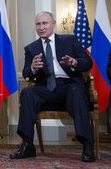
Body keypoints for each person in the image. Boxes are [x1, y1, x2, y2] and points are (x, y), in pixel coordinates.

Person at [10, 11, 95, 162]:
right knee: (27, 93)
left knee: (76, 91)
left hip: (68, 87)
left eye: (45, 23)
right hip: (46, 89)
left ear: (53, 24)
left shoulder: (69, 40)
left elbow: (88, 62)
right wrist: (33, 67)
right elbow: (26, 73)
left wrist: (75, 62)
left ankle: (87, 144)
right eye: (38, 24)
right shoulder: (31, 48)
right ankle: (27, 145)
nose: (41, 27)